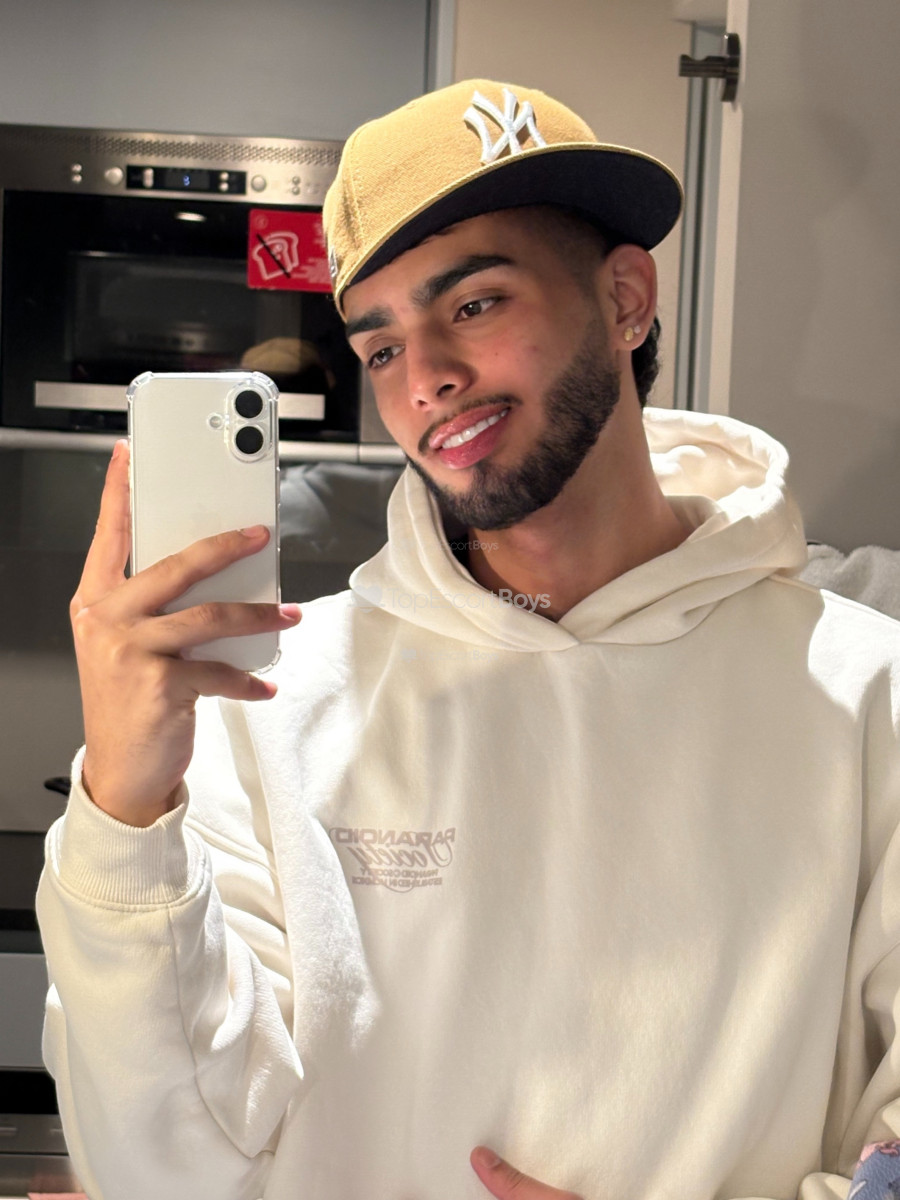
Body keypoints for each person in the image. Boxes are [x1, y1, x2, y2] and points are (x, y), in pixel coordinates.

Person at [37, 78, 900, 1200]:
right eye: (381, 347)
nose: (428, 380)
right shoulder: (264, 709)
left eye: (476, 304)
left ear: (626, 298)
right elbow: (160, 1164)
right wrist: (121, 809)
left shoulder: (863, 693)